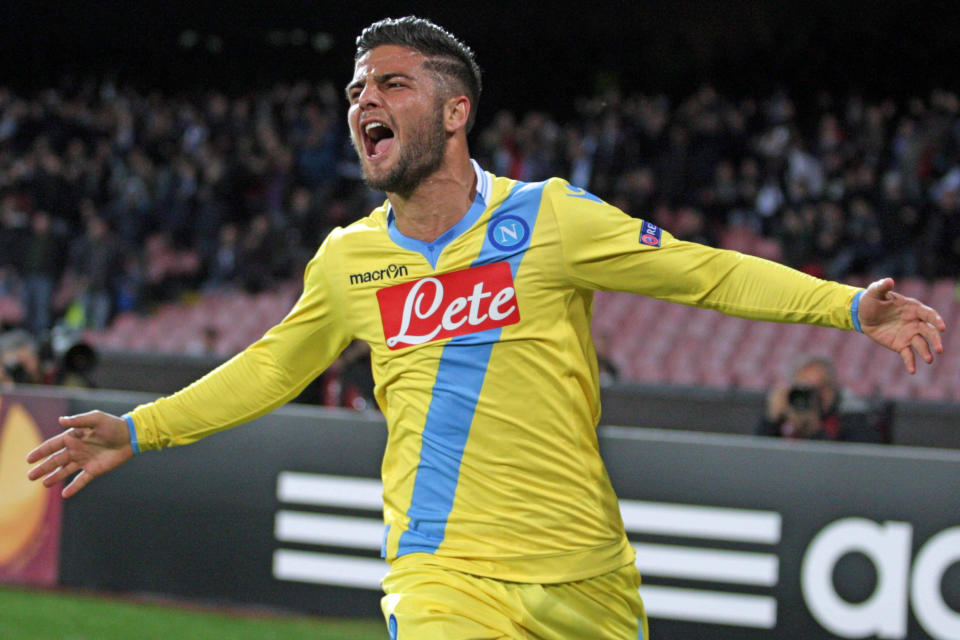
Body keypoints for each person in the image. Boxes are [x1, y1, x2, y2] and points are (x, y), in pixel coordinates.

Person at [26, 17, 946, 640]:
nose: (362, 102)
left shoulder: (551, 219)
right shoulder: (348, 259)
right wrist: (143, 427)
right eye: (355, 90)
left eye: (391, 83)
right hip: (445, 573)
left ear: (456, 111)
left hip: (587, 573)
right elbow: (271, 367)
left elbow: (703, 272)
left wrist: (844, 306)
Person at [756, 354, 885, 442]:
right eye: (806, 389)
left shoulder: (853, 416)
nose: (815, 397)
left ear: (834, 387)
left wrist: (813, 428)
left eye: (821, 388)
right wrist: (772, 418)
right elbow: (760, 457)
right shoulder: (787, 415)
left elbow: (848, 462)